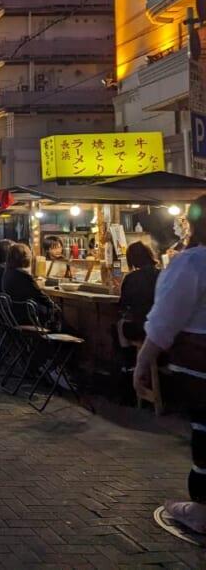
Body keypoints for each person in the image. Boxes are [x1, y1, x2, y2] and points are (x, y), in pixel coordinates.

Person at [135, 195, 206, 536]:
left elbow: (164, 322)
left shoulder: (191, 264)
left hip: (199, 365)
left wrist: (142, 361)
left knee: (204, 433)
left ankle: (201, 510)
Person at [1, 243, 59, 327]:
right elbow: (39, 295)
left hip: (14, 313)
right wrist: (54, 305)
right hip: (27, 314)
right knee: (57, 310)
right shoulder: (23, 275)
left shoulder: (7, 272)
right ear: (25, 258)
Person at [117, 241, 159, 344]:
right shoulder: (162, 274)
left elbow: (123, 305)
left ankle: (126, 356)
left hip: (138, 328)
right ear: (149, 255)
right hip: (160, 326)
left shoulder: (131, 278)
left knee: (119, 325)